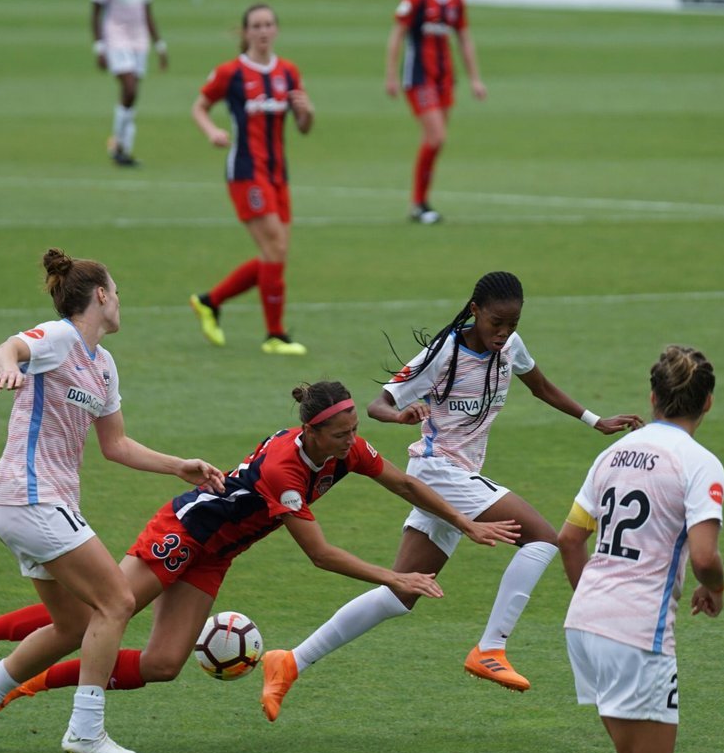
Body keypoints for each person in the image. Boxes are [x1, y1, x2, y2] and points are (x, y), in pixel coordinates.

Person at [0, 380, 520, 721]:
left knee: (161, 665)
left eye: (350, 434)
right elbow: (320, 554)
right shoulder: (286, 470)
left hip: (214, 554)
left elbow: (407, 484)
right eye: (338, 435)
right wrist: (396, 579)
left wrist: (467, 524)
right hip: (182, 534)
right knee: (95, 616)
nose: (349, 445)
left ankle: (33, 681)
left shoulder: (344, 449)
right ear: (311, 430)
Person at [258, 271, 645, 722]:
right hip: (437, 471)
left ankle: (289, 661)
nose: (503, 334)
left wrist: (594, 420)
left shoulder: (510, 348)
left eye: (512, 324)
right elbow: (378, 404)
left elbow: (540, 387)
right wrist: (402, 415)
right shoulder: (443, 353)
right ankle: (491, 648)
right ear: (475, 310)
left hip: (460, 476)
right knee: (542, 538)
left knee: (398, 595)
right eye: (496, 323)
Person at [0, 248, 223, 753]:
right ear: (100, 296)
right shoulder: (59, 340)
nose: (121, 302)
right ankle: (85, 730)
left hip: (34, 504)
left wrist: (178, 465)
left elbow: (115, 444)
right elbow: (7, 348)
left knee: (73, 624)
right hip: (29, 497)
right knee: (116, 602)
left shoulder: (103, 365)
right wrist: (9, 369)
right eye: (116, 293)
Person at [479, 345, 724, 753]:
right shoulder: (700, 463)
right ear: (708, 402)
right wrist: (715, 588)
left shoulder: (612, 454)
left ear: (653, 397)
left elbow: (570, 539)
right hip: (636, 631)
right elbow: (704, 556)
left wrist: (594, 602)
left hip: (587, 620)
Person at [187, 3, 315, 356]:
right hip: (245, 172)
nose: (262, 31)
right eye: (256, 25)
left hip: (278, 174)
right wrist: (212, 131)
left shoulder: (288, 72)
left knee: (276, 253)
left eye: (268, 24)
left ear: (276, 30)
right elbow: (199, 105)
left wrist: (306, 112)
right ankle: (274, 335)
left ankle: (210, 301)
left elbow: (304, 128)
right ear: (245, 32)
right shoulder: (231, 73)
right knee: (274, 247)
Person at [384, 0, 486, 225]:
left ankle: (421, 203)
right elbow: (397, 36)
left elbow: (465, 40)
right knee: (437, 136)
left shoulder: (455, 1)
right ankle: (418, 202)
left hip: (445, 79)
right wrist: (391, 75)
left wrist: (475, 79)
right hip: (419, 78)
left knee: (435, 141)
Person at [90, 0, 165, 167]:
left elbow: (147, 11)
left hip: (138, 37)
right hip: (115, 34)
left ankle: (122, 146)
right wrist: (99, 47)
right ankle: (119, 143)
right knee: (130, 87)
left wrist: (160, 45)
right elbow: (95, 12)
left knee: (131, 94)